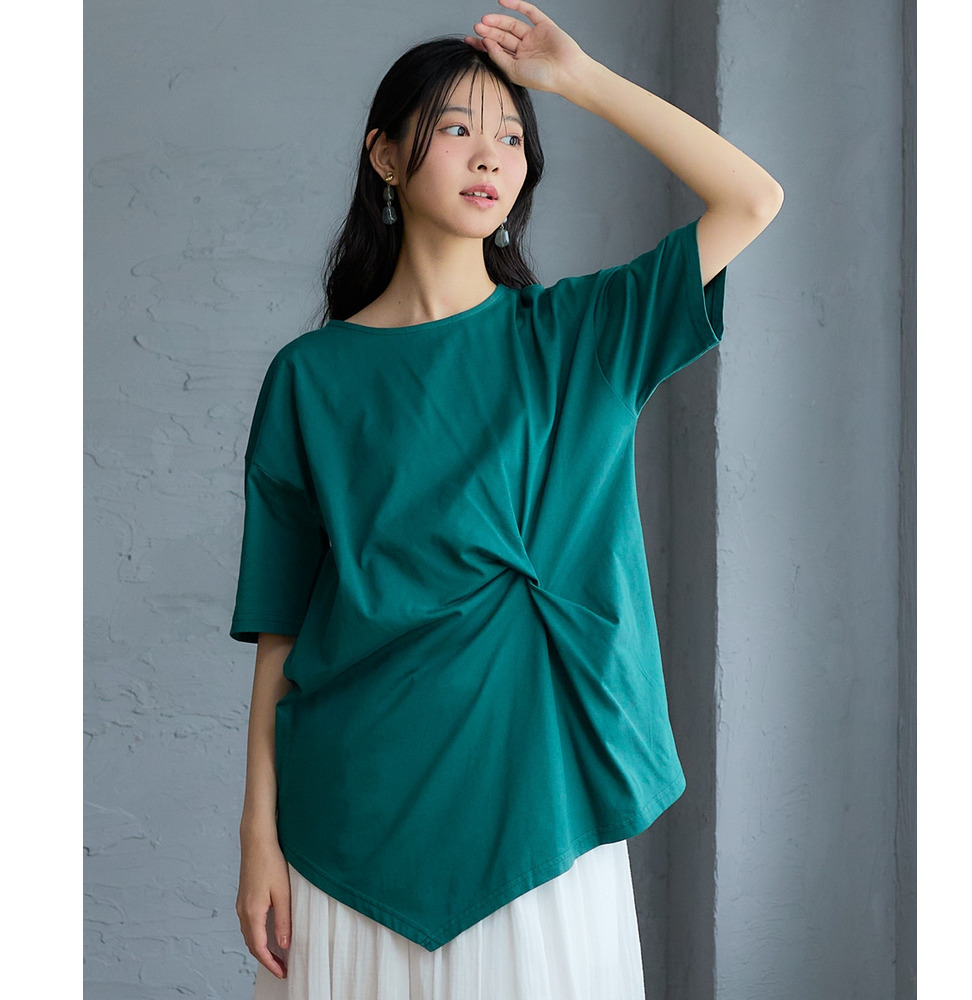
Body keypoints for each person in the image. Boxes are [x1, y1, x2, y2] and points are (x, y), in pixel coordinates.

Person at [232, 2, 783, 998]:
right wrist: (257, 840)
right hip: (347, 814)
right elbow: (282, 629)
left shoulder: (581, 336)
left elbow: (751, 197)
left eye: (513, 137)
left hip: (540, 808)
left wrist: (578, 81)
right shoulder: (309, 378)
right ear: (385, 156)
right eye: (456, 128)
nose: (490, 155)